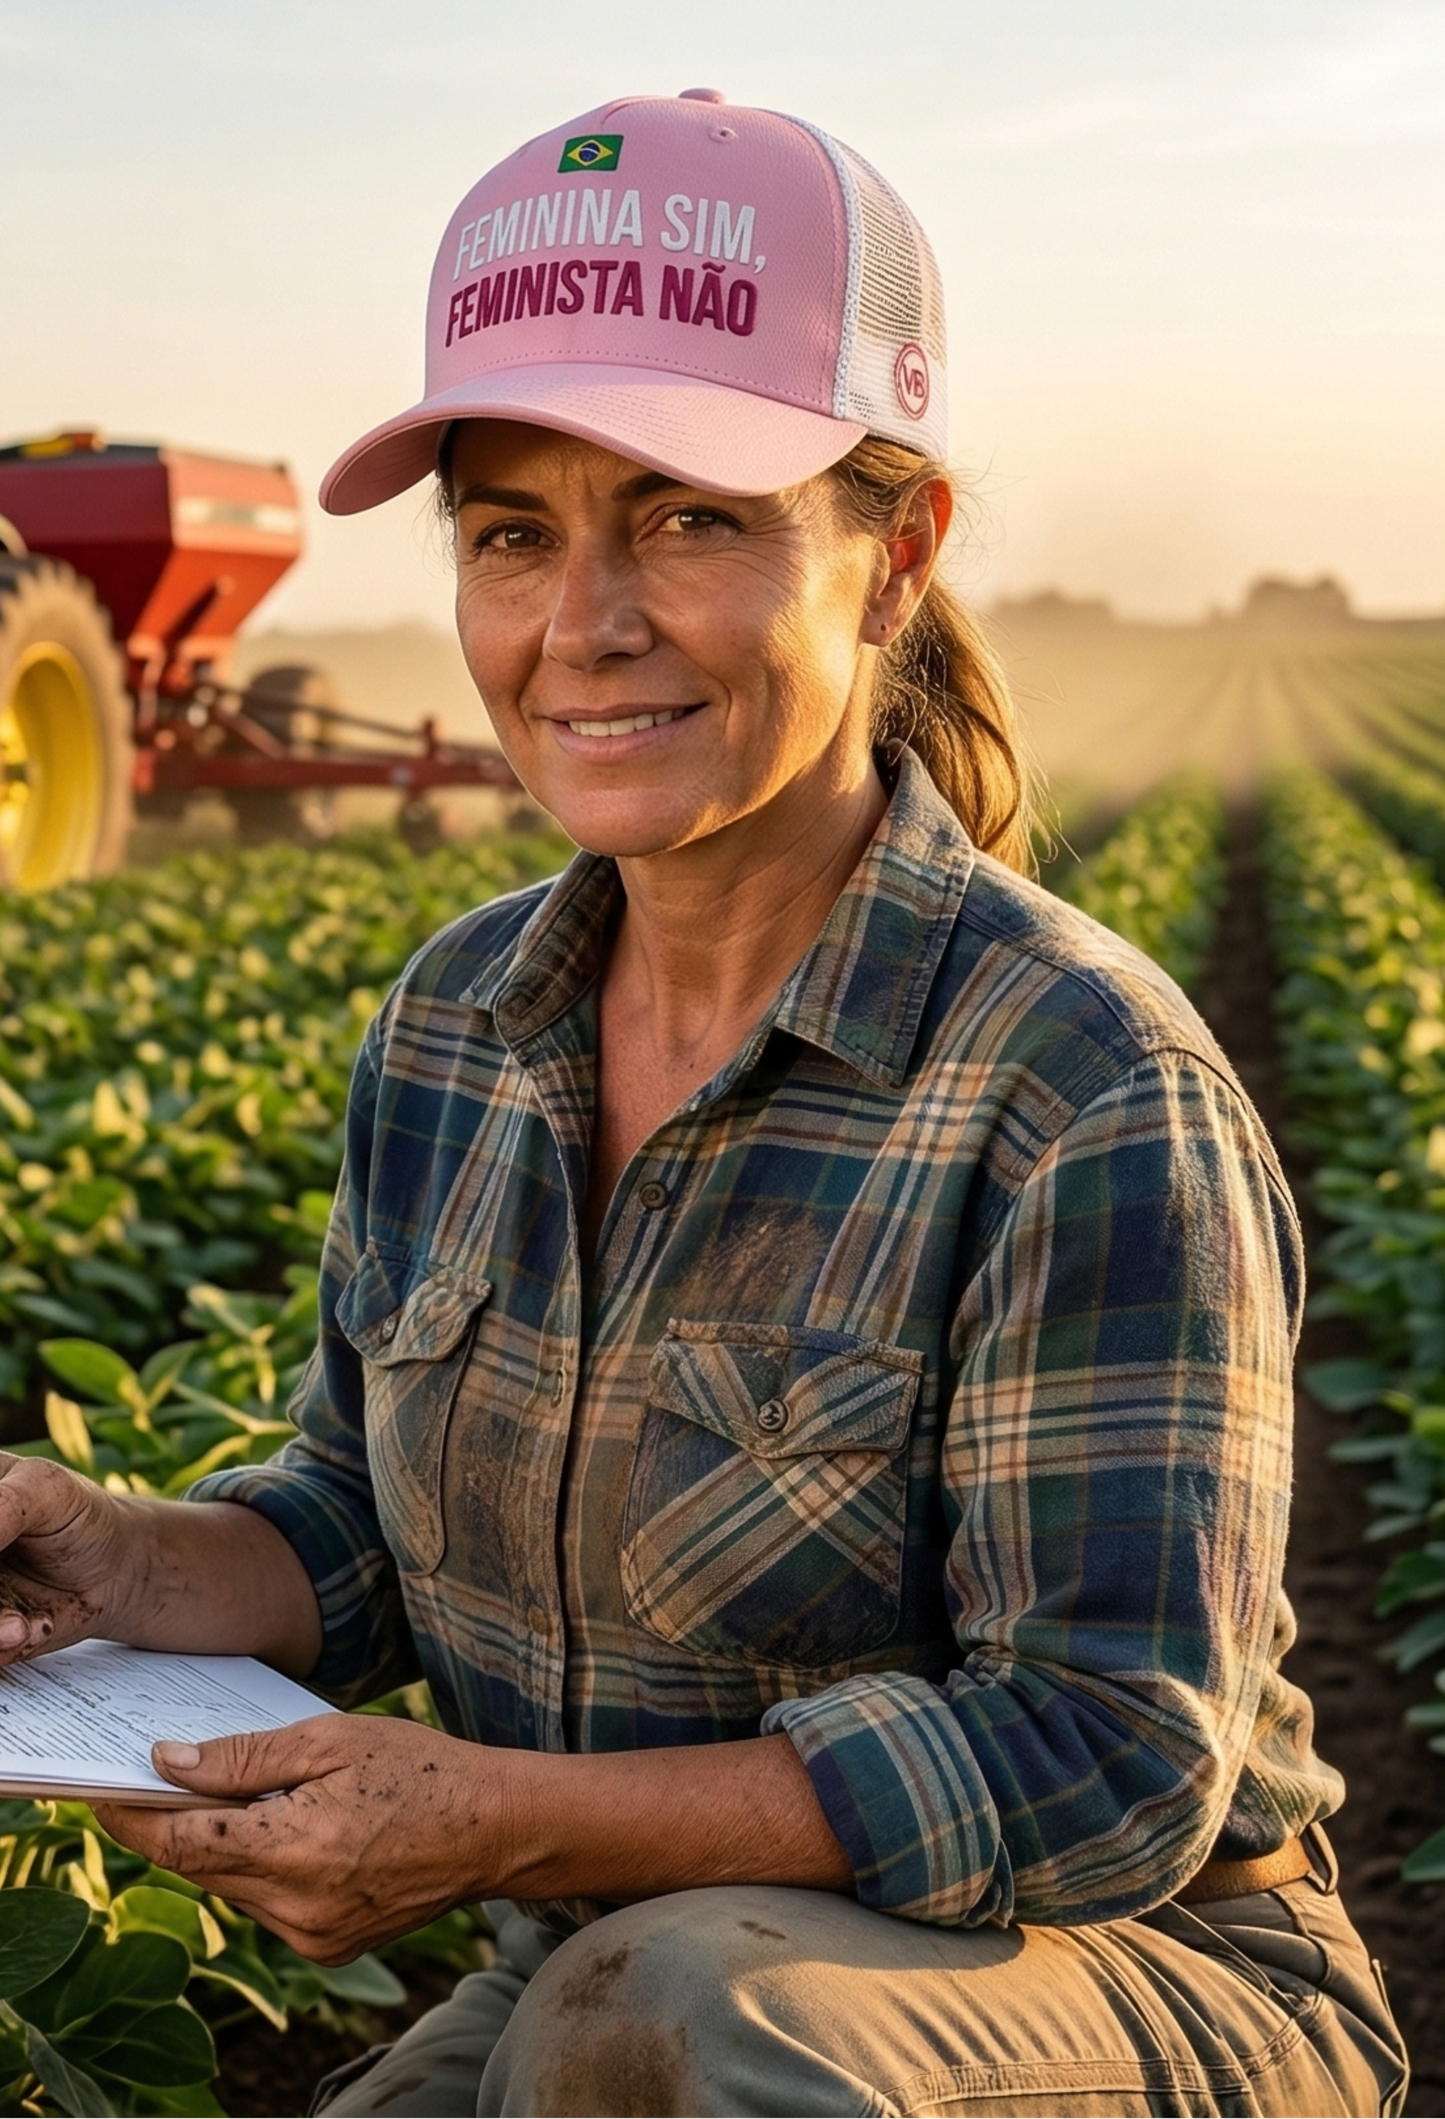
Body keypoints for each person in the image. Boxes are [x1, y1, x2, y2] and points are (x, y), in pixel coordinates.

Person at [0, 91, 1408, 2119]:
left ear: (892, 553)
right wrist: (115, 1561)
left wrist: (502, 1819)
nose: (582, 627)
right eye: (512, 535)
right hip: (622, 1951)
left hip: (1133, 1974)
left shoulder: (1076, 1084)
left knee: (662, 2036)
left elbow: (1103, 1759)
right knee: (599, 2032)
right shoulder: (456, 1028)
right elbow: (367, 1537)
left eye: (687, 516)